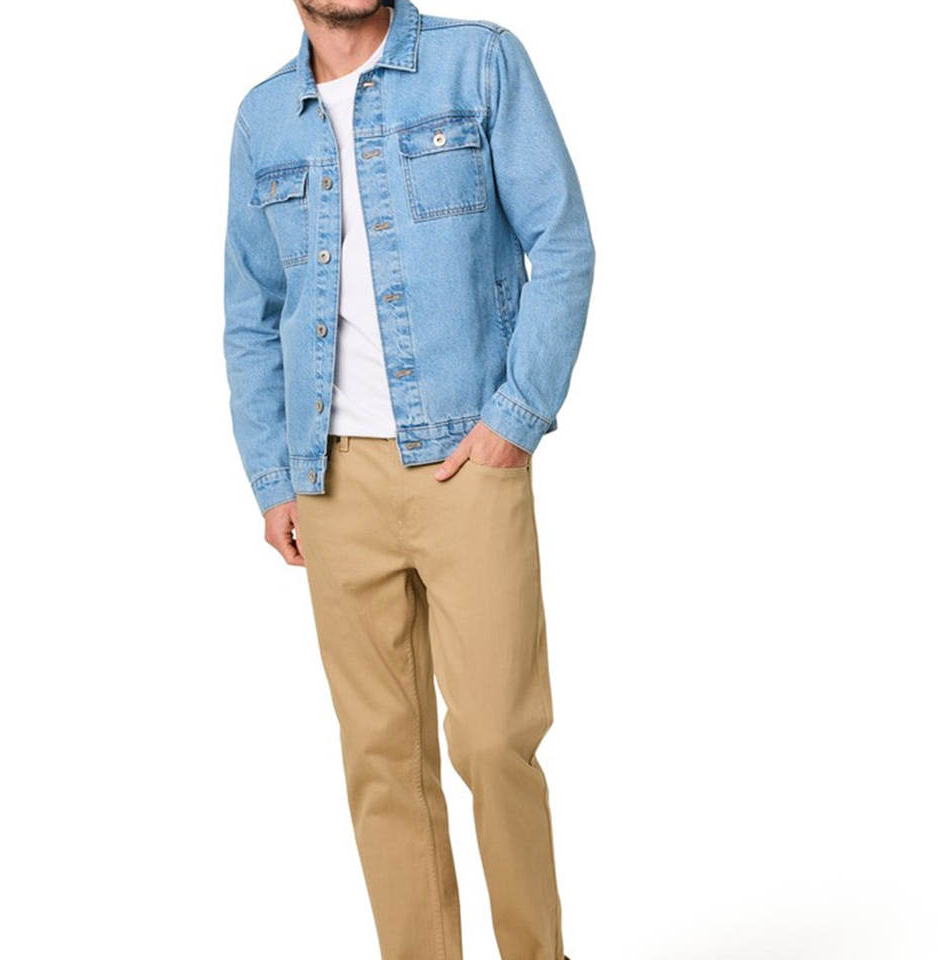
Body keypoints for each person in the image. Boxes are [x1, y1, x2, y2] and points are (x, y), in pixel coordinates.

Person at [223, 1, 594, 956]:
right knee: (382, 760)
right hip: (331, 479)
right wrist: (274, 475)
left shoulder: (480, 64)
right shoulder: (264, 117)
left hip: (467, 461)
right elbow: (252, 311)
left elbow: (561, 242)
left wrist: (515, 418)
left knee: (493, 741)